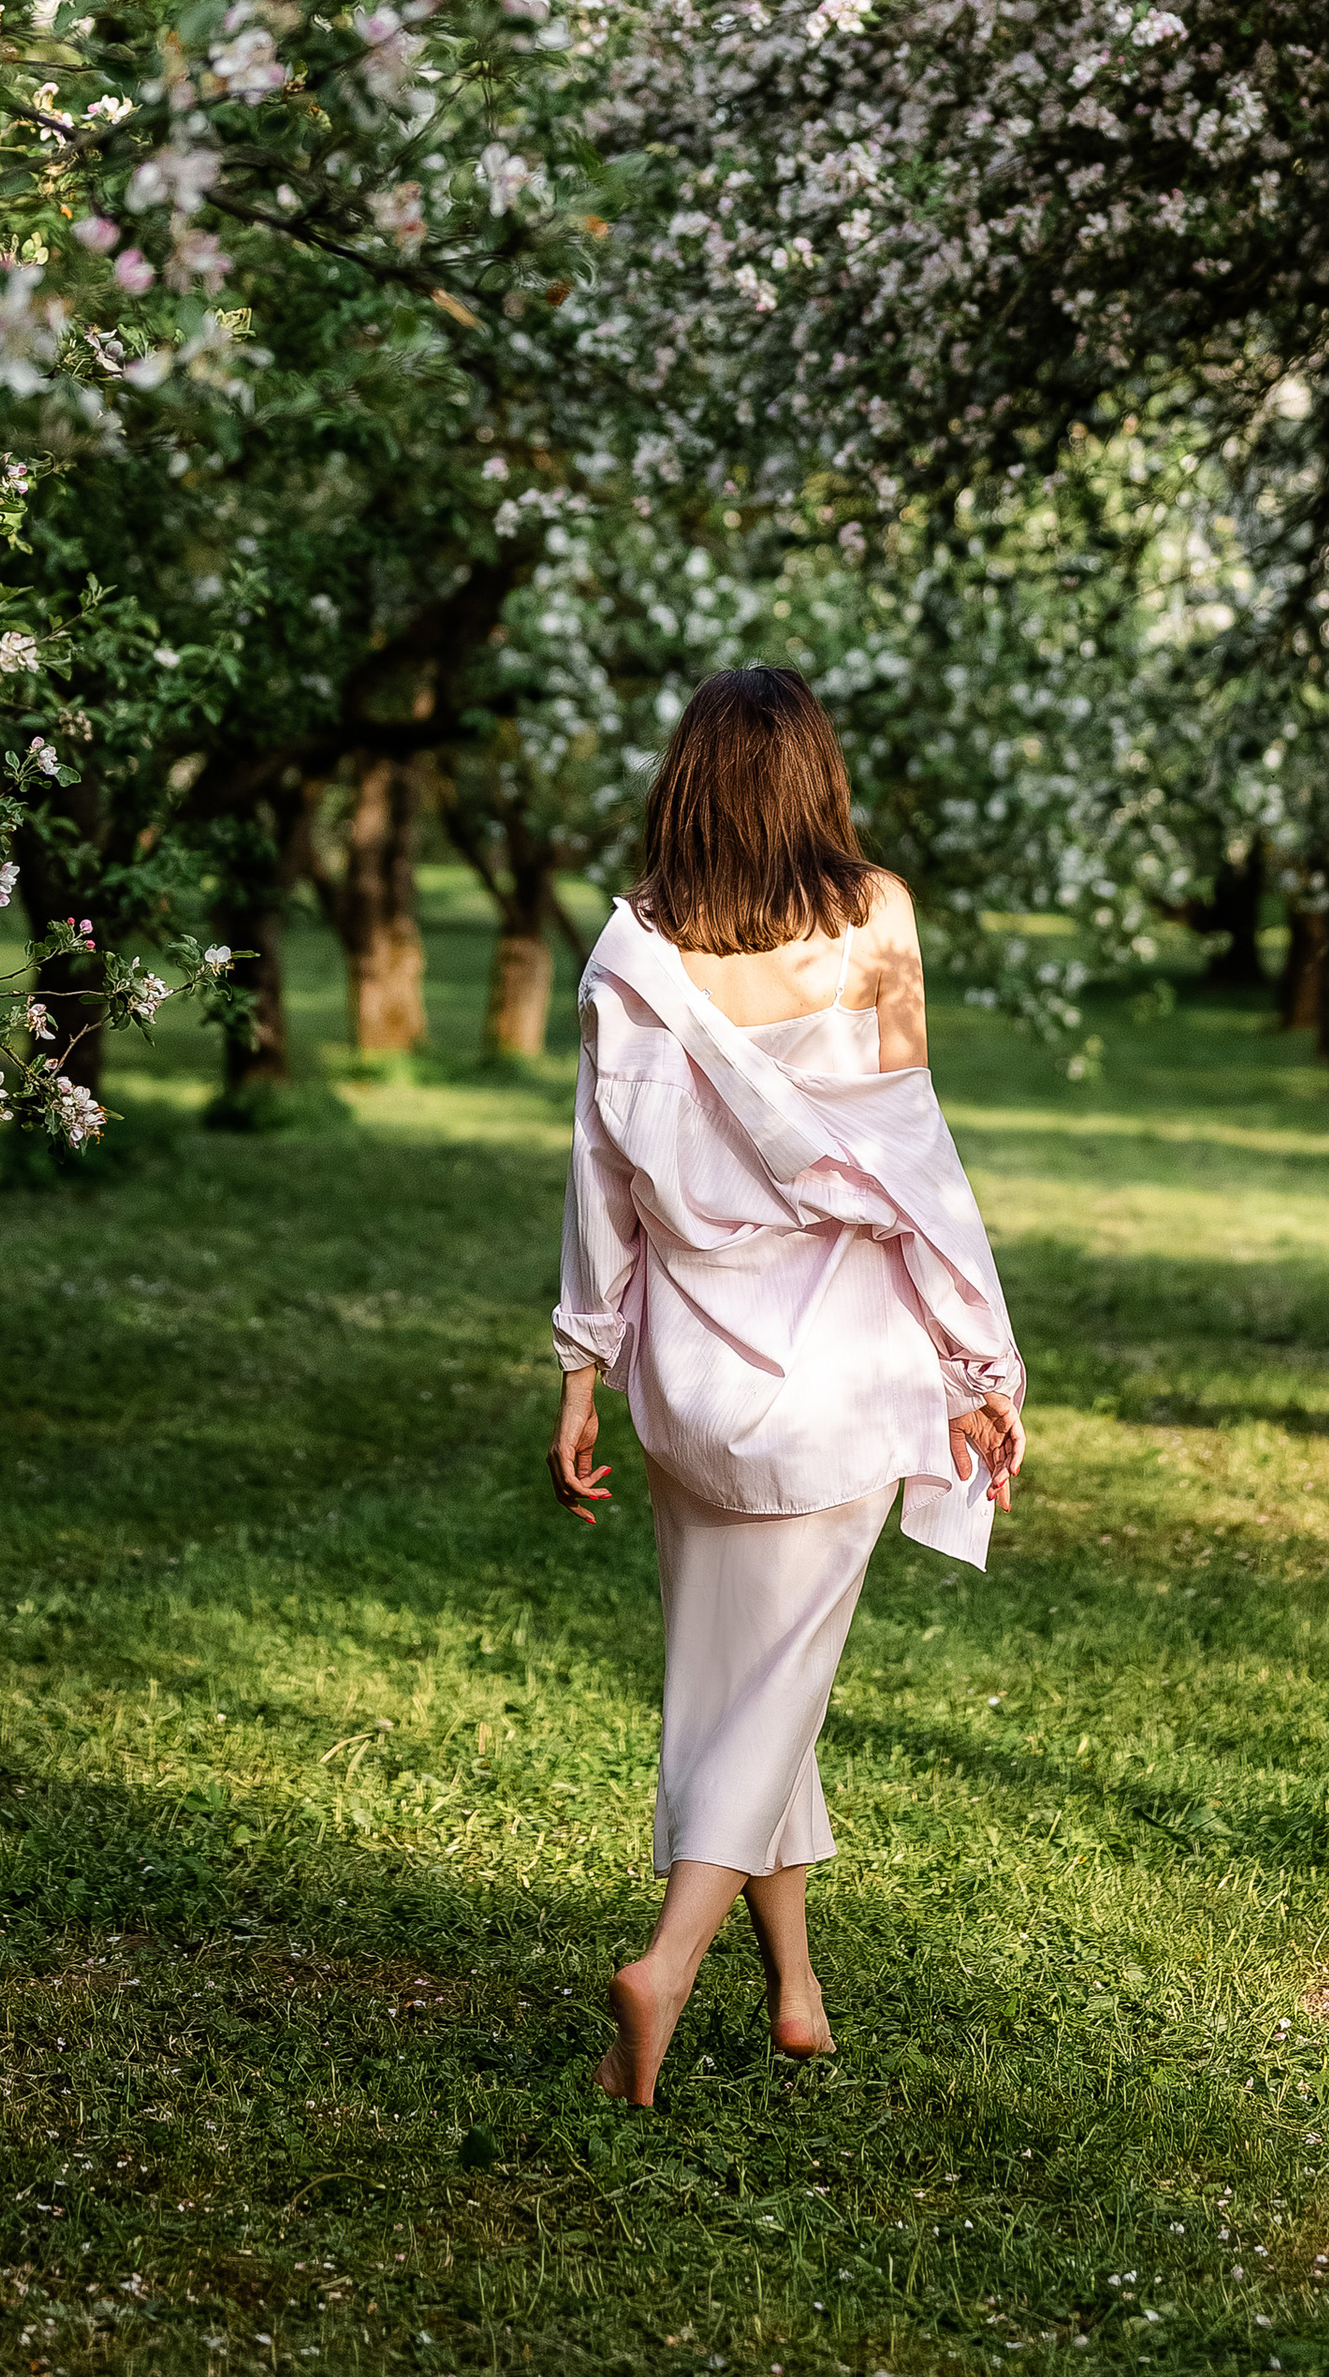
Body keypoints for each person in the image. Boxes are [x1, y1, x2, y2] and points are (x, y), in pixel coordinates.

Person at [548, 664, 1026, 2108]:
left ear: (686, 780)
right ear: (817, 777)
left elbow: (601, 1181)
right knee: (772, 1684)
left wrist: (581, 1364)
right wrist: (972, 1358)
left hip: (690, 1372)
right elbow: (911, 1159)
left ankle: (798, 1988)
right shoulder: (873, 915)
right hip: (836, 1367)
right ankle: (671, 1962)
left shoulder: (630, 950)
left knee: (738, 1675)